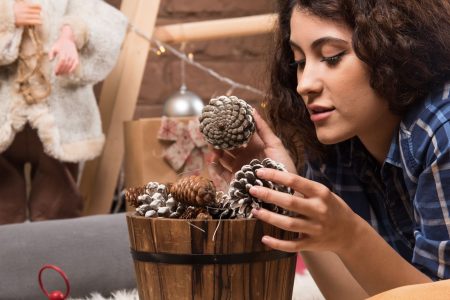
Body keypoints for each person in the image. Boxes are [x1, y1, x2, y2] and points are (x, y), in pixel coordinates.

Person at [212, 0, 450, 298]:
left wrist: (350, 235)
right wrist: (291, 193)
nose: (304, 85)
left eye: (332, 57)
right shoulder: (335, 149)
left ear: (394, 49)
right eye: (299, 62)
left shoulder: (442, 131)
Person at [0, 0, 126, 224]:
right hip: (6, 112)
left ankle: (56, 254)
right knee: (4, 206)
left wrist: (71, 36)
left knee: (57, 203)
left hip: (58, 115)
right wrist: (7, 17)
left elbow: (100, 18)